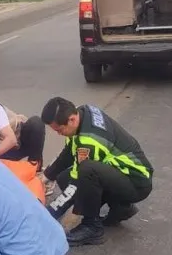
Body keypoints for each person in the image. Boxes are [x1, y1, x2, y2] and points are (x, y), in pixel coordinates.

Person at [40, 97, 154, 247]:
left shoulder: (90, 140)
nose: (58, 134)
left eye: (59, 130)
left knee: (87, 171)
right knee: (63, 177)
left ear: (72, 119)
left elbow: (76, 186)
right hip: (122, 173)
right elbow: (68, 153)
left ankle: (91, 227)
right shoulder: (83, 112)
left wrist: (46, 216)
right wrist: (45, 177)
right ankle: (121, 208)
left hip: (136, 181)